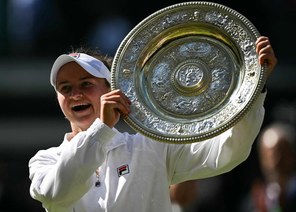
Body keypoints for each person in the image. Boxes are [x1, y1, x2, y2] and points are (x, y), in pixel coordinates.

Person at [28, 36, 277, 212]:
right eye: (65, 88)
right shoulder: (45, 160)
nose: (76, 95)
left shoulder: (150, 146)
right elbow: (57, 194)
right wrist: (100, 130)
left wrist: (254, 87)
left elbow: (227, 152)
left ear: (111, 89)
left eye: (86, 84)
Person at [240, 122, 296, 212]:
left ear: (292, 154)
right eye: (268, 156)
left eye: (281, 153)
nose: (275, 161)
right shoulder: (253, 201)